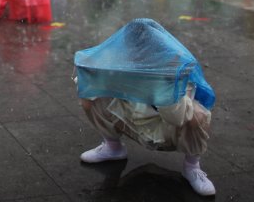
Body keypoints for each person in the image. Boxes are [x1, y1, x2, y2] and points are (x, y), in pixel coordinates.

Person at [75, 19, 217, 196]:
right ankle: (113, 147)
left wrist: (162, 86)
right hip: (133, 122)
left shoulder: (175, 69)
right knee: (90, 95)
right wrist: (90, 75)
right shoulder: (123, 62)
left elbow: (176, 118)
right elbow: (91, 85)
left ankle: (192, 167)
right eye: (134, 50)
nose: (137, 56)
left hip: (167, 132)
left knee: (198, 116)